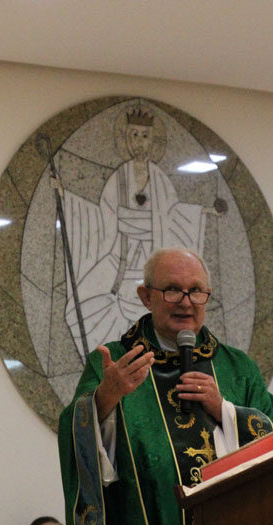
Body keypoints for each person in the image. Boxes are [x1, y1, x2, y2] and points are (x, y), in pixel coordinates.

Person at [58, 247, 273, 525]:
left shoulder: (237, 367)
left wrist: (225, 411)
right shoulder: (116, 363)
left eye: (196, 291)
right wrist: (106, 397)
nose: (186, 302)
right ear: (146, 297)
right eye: (172, 290)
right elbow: (75, 435)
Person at [59, 105, 218, 360]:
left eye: (145, 136)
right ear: (126, 140)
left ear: (152, 142)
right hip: (121, 257)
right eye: (134, 135)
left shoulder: (159, 178)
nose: (139, 142)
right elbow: (101, 217)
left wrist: (203, 212)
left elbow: (174, 212)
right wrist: (67, 199)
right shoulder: (119, 177)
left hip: (153, 253)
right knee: (80, 308)